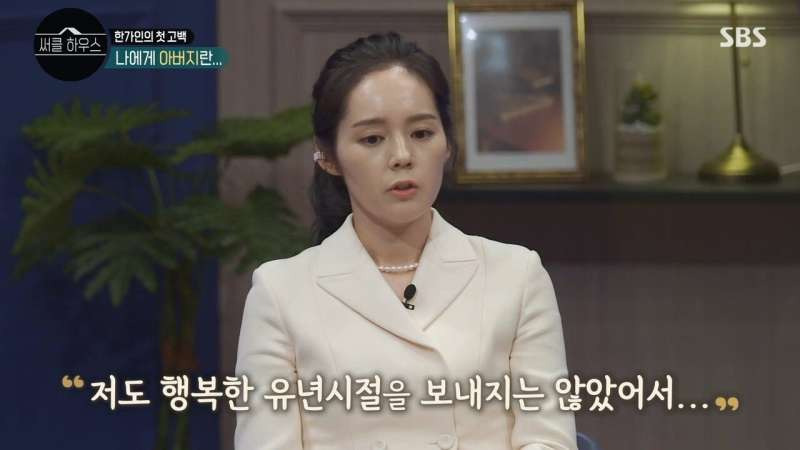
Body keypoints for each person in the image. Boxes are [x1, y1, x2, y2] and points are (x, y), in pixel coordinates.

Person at [234, 31, 577, 450]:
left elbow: (548, 440)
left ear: (447, 143)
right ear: (329, 156)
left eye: (421, 133)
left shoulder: (517, 276)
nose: (402, 156)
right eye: (372, 139)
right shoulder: (281, 293)